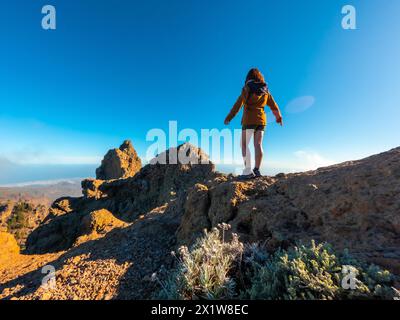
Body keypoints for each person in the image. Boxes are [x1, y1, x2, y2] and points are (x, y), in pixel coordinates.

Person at [224, 68, 283, 178]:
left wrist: (229, 118)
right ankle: (257, 170)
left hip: (249, 120)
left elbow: (237, 106)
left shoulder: (246, 89)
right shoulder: (265, 91)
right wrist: (278, 117)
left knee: (244, 145)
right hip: (261, 120)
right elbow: (273, 106)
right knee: (258, 145)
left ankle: (247, 171)